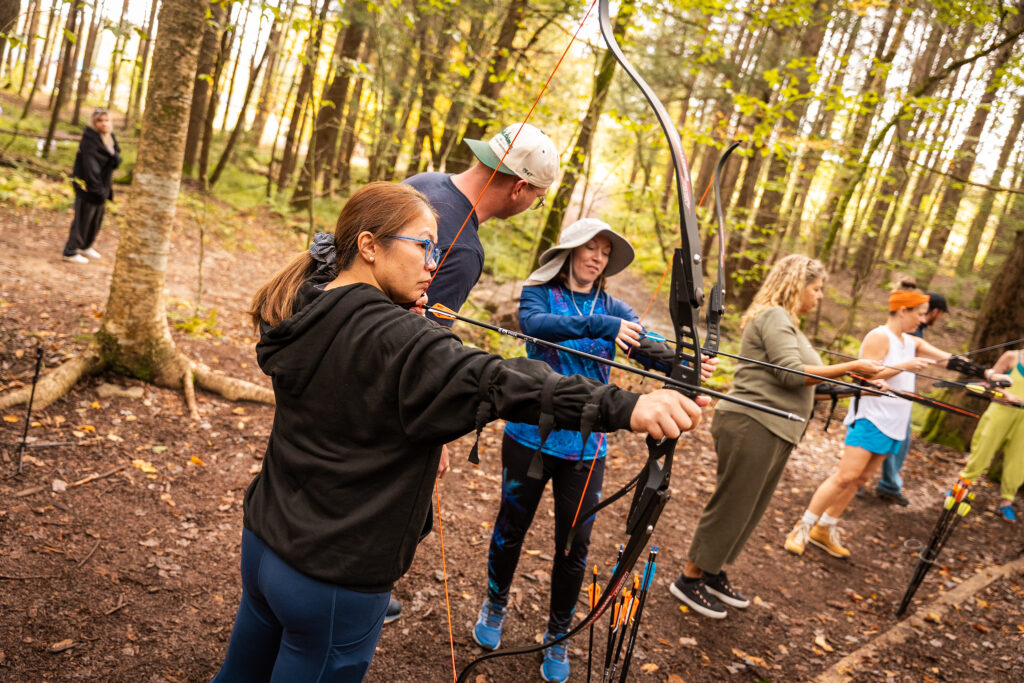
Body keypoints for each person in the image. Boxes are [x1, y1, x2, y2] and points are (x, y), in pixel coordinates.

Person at [211, 182, 708, 682]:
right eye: (424, 244)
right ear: (368, 246)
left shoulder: (307, 302)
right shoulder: (403, 341)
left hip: (263, 544)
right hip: (332, 576)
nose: (435, 260)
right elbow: (501, 380)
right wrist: (628, 407)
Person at [470, 218, 696, 682]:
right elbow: (537, 327)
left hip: (587, 451)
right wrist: (605, 324)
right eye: (589, 248)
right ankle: (495, 604)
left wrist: (687, 360)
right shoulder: (539, 295)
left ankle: (557, 633)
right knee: (511, 527)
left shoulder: (617, 309)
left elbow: (651, 351)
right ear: (570, 251)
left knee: (575, 546)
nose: (596, 257)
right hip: (528, 435)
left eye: (604, 252)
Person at [667, 255, 882, 620]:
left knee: (749, 507)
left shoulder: (790, 326)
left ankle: (713, 571)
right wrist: (851, 366)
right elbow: (790, 374)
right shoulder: (773, 316)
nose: (820, 297)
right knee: (732, 503)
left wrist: (858, 388)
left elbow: (812, 383)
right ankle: (688, 578)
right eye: (816, 289)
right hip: (753, 423)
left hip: (775, 426)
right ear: (796, 285)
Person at [785, 289, 957, 559]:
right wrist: (906, 365)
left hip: (896, 421)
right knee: (845, 476)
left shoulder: (911, 341)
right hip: (871, 416)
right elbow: (864, 375)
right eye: (919, 314)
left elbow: (949, 359)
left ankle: (825, 528)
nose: (923, 320)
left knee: (861, 479)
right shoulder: (879, 336)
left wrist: (988, 374)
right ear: (903, 310)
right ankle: (803, 526)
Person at [404, 122, 559, 326]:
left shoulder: (422, 181)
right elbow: (422, 344)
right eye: (538, 198)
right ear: (519, 188)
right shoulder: (465, 253)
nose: (535, 204)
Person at [960, 349, 1024, 523]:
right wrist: (1006, 394)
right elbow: (991, 380)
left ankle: (1006, 502)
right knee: (983, 449)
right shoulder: (1012, 357)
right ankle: (961, 488)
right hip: (1000, 412)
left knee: (1018, 461)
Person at [62, 108, 121, 264]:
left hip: (103, 187)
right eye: (100, 121)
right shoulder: (90, 139)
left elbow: (115, 160)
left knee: (96, 220)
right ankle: (71, 251)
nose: (104, 124)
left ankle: (85, 246)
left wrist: (113, 155)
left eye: (106, 120)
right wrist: (97, 189)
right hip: (88, 187)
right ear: (94, 123)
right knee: (83, 219)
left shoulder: (109, 138)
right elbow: (90, 167)